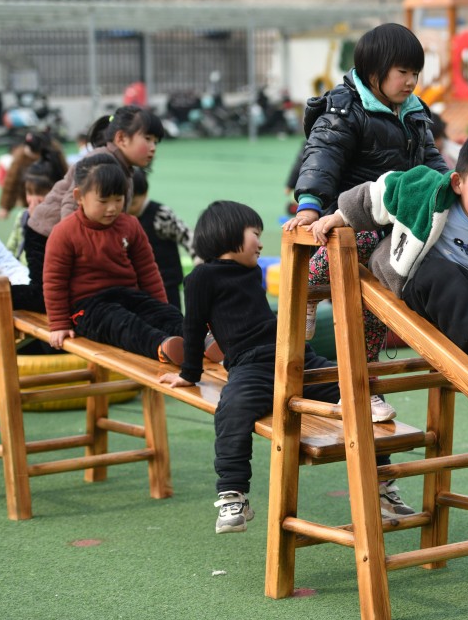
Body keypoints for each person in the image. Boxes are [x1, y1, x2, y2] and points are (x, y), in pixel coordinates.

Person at [159, 201, 408, 532]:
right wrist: (188, 374)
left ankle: (383, 482)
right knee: (231, 411)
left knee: (355, 391)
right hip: (251, 365)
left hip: (295, 355)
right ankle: (233, 494)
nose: (261, 243)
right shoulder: (200, 278)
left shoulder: (251, 271)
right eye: (255, 234)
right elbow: (193, 330)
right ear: (227, 233)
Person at [282, 22, 448, 423]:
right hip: (347, 215)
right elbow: (321, 155)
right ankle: (311, 285)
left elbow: (431, 162)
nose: (410, 82)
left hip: (391, 216)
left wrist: (452, 189)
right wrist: (309, 203)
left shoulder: (415, 112)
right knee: (359, 246)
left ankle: (361, 387)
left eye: (415, 73)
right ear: (374, 71)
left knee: (376, 302)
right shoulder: (344, 108)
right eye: (402, 73)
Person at [307, 133, 468, 370]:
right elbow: (380, 193)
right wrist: (339, 216)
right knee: (442, 271)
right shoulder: (428, 194)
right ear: (458, 183)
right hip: (421, 286)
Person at [41, 153, 186, 364]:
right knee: (121, 323)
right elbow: (54, 281)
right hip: (88, 307)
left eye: (118, 200)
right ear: (79, 196)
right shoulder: (64, 232)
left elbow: (147, 270)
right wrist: (59, 324)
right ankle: (162, 346)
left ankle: (201, 340)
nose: (112, 208)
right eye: (103, 201)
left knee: (167, 314)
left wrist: (160, 308)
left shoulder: (130, 225)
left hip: (127, 295)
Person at [25, 106, 165, 312]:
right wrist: (72, 245)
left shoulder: (125, 171)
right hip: (45, 236)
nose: (153, 147)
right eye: (148, 139)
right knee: (46, 298)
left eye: (156, 141)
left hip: (62, 239)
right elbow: (70, 205)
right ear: (121, 138)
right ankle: (1, 297)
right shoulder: (100, 164)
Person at [129, 167, 196, 311]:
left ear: (145, 194)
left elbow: (187, 236)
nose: (127, 208)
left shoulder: (160, 215)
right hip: (137, 287)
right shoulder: (121, 217)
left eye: (133, 203)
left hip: (167, 284)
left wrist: (199, 260)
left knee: (171, 320)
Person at [0, 130, 68, 220]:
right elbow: (11, 181)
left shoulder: (54, 151)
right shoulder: (20, 156)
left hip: (53, 197)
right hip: (29, 198)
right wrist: (5, 206)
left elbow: (65, 175)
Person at [6, 160, 56, 264]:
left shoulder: (59, 221)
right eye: (29, 192)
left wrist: (36, 222)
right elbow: (10, 248)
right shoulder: (23, 216)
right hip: (19, 273)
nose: (33, 199)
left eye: (40, 193)